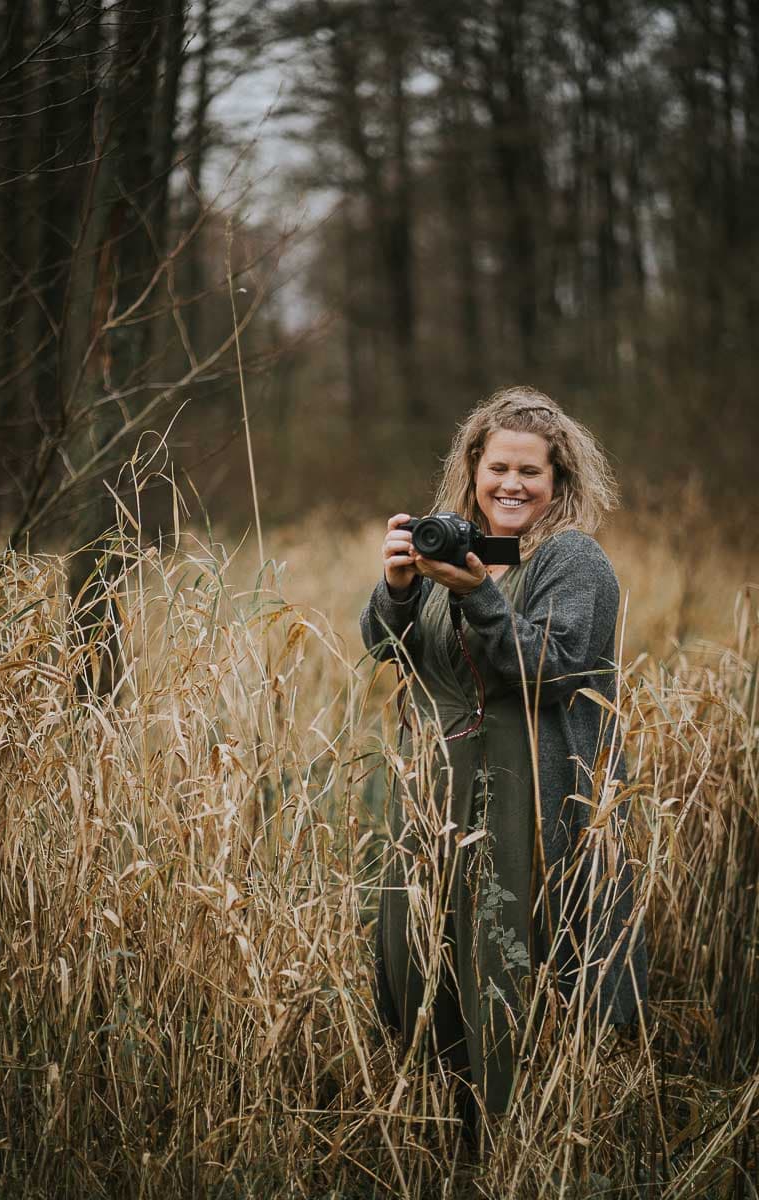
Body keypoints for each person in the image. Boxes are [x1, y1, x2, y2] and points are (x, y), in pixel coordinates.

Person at [360, 386, 648, 1134]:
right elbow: (391, 651)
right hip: (437, 796)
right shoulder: (448, 545)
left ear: (560, 482)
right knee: (430, 953)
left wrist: (481, 596)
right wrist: (396, 588)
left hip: (529, 797)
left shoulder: (573, 559)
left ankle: (526, 1132)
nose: (512, 485)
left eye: (531, 472)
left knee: (512, 954)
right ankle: (438, 1124)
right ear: (472, 468)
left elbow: (553, 670)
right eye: (498, 468)